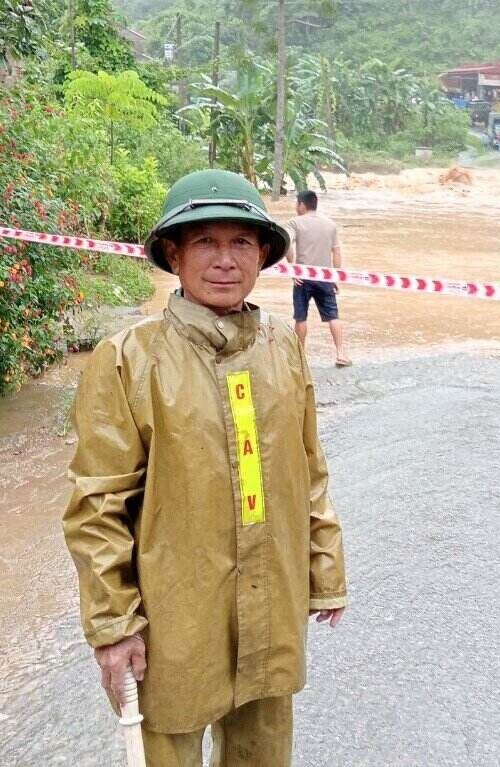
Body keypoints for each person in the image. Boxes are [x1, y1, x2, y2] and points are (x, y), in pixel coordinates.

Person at [63, 169, 347, 767]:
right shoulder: (126, 359)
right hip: (174, 618)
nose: (225, 260)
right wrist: (114, 626)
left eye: (241, 242)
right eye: (204, 243)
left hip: (272, 600)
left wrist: (324, 567)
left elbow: (309, 468)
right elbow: (97, 506)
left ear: (264, 254)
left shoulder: (281, 345)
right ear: (173, 253)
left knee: (263, 753)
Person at [286, 190, 351, 367]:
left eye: (296, 204)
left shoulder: (295, 222)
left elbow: (287, 244)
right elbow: (336, 251)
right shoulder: (330, 225)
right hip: (325, 277)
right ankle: (341, 354)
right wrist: (334, 277)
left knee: (300, 318)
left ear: (301, 204)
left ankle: (300, 358)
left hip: (302, 277)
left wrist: (292, 269)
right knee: (333, 316)